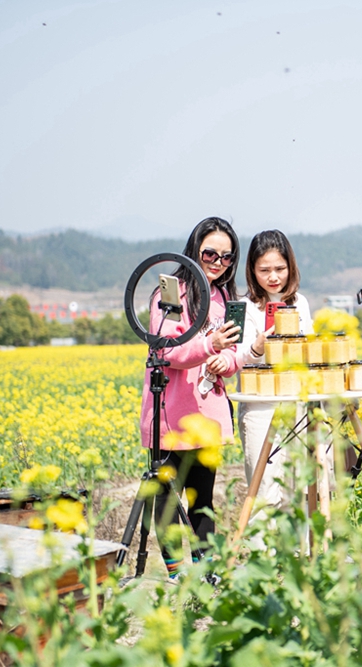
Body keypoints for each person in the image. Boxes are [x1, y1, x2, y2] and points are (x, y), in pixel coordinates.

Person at [139, 216, 242, 578]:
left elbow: (233, 354)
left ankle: (207, 569)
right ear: (194, 250)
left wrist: (223, 358)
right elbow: (166, 350)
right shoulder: (171, 291)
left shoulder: (224, 297)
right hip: (172, 409)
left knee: (203, 497)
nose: (217, 262)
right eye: (210, 253)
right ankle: (176, 571)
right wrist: (207, 345)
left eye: (226, 257)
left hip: (208, 409)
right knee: (166, 497)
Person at [235, 230, 313, 518]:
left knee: (297, 487)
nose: (273, 277)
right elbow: (239, 360)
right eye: (264, 270)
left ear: (290, 267)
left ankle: (297, 558)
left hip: (296, 402)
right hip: (260, 405)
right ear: (252, 271)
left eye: (280, 268)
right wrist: (258, 347)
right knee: (264, 488)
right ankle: (262, 559)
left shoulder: (300, 303)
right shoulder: (245, 308)